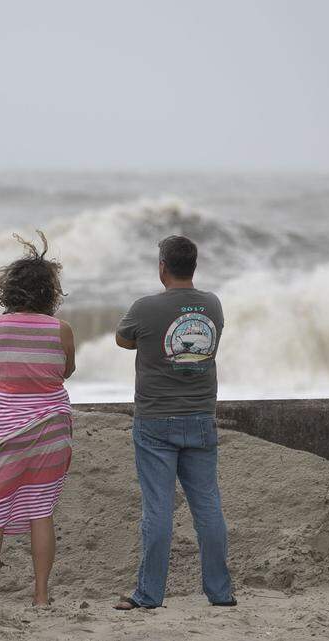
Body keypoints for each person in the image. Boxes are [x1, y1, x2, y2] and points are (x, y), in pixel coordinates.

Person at [113, 235, 235, 610]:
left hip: (155, 420)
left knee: (158, 509)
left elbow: (122, 340)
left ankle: (149, 594)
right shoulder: (212, 304)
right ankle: (220, 592)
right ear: (193, 267)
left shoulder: (144, 307)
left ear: (162, 267)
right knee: (208, 507)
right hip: (200, 417)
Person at [0, 231, 76, 610]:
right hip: (51, 428)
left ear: (10, 289)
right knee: (41, 511)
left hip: (6, 432)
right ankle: (41, 597)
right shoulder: (61, 330)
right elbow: (67, 370)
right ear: (50, 292)